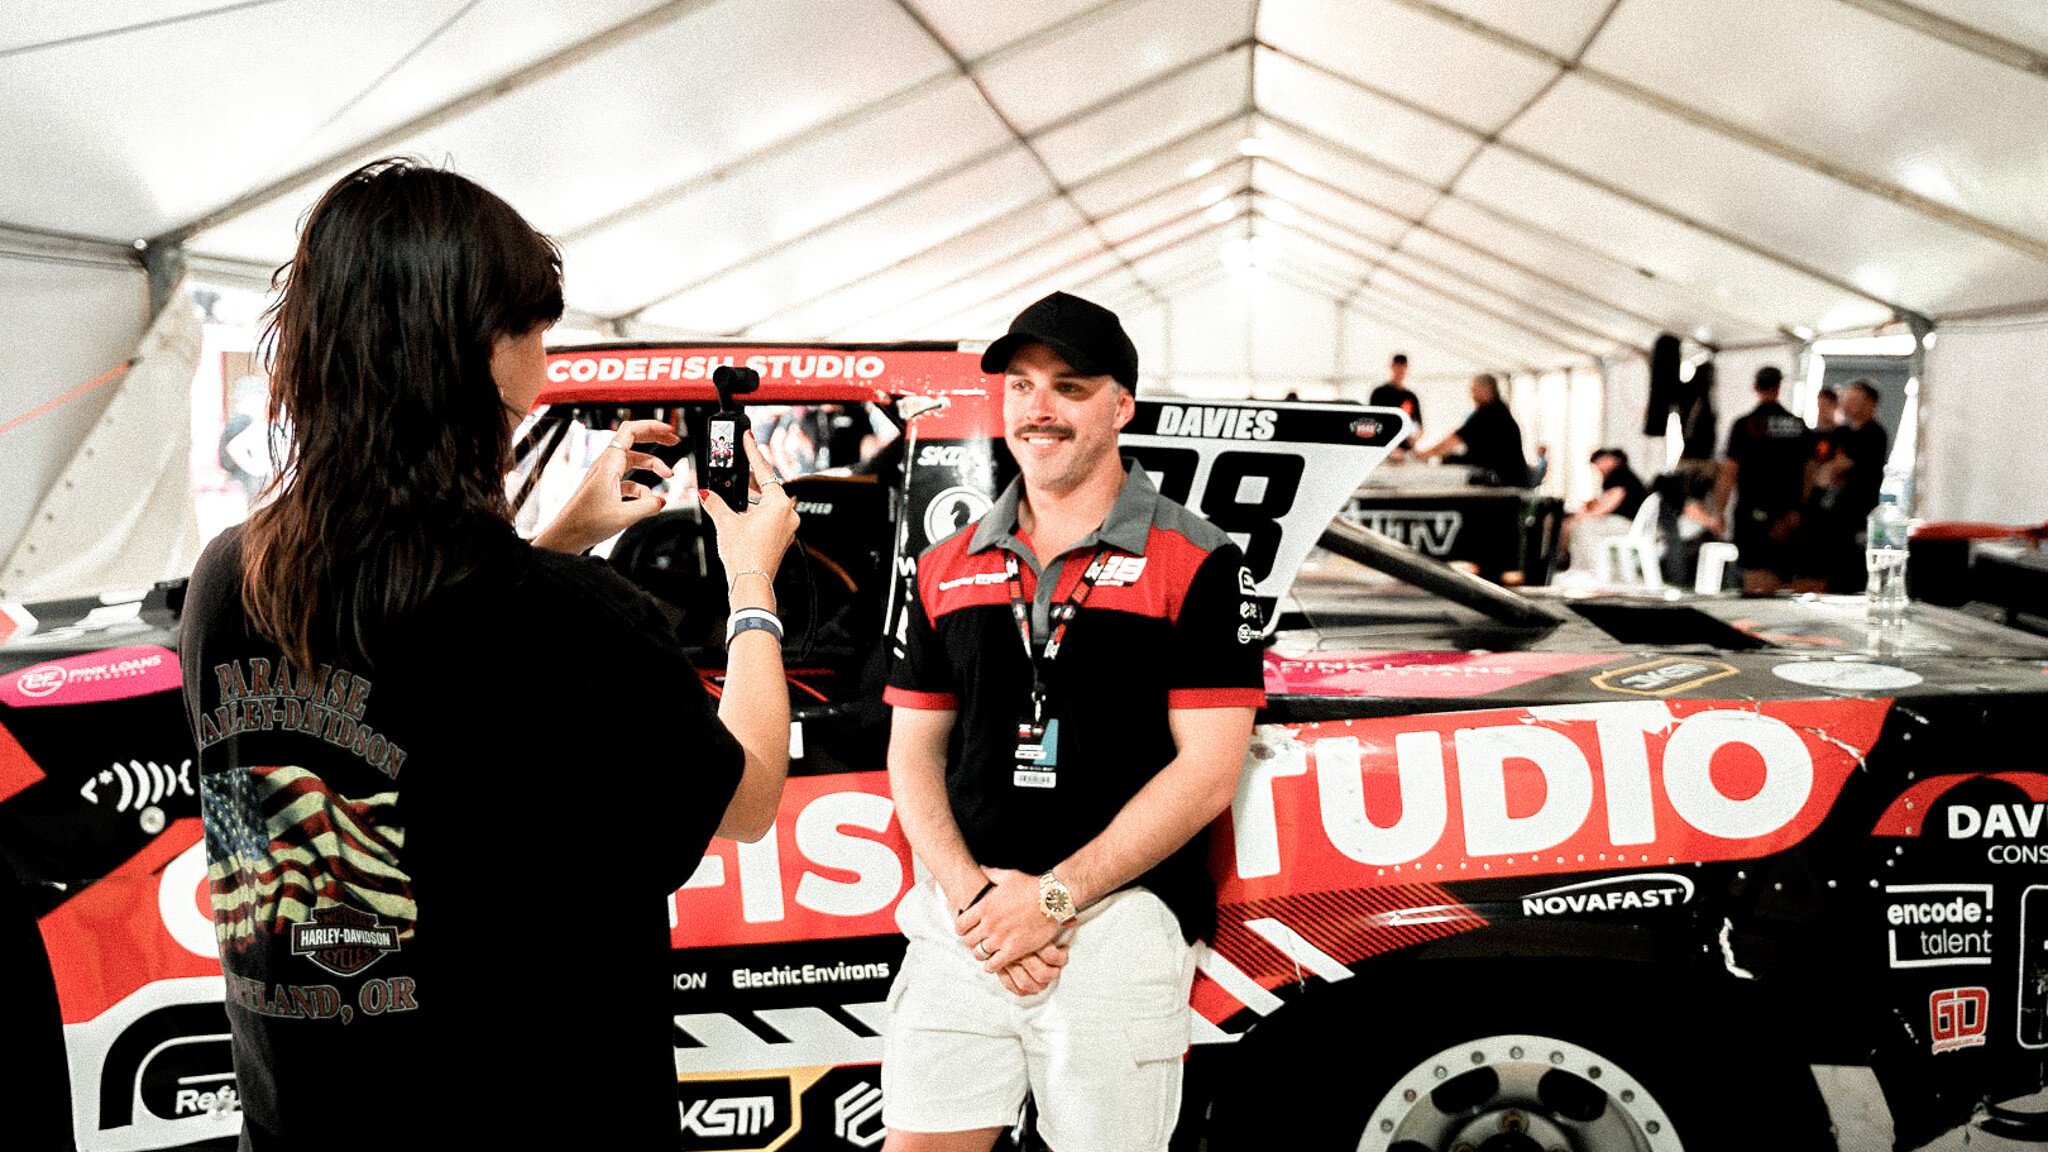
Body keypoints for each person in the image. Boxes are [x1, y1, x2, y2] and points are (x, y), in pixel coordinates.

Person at [176, 159, 800, 1151]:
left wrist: (552, 536)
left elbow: (419, 676)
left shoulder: (228, 579)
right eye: (535, 330)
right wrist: (752, 582)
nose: (546, 365)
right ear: (476, 353)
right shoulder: (576, 621)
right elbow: (751, 797)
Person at [880, 290, 1263, 1152]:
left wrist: (1052, 900)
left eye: (1069, 386)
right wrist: (981, 900)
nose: (1037, 409)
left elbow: (1207, 771)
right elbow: (911, 757)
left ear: (1122, 405)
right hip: (965, 924)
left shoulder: (1198, 558)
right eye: (1019, 385)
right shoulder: (946, 562)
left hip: (1114, 923)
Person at [1709, 364, 1811, 593]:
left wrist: (1719, 511)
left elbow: (1729, 472)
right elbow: (1808, 473)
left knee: (1754, 577)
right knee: (1779, 576)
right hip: (1788, 515)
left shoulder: (1745, 425)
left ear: (1755, 387)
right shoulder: (1797, 425)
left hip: (1752, 511)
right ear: (1778, 387)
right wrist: (1798, 509)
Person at [1413, 372, 1528, 486]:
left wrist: (1424, 454)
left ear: (1486, 390)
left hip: (1503, 480)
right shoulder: (1500, 410)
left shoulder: (1488, 413)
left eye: (1474, 390)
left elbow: (1453, 440)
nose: (1471, 395)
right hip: (1509, 476)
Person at [1564, 447, 1647, 573]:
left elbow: (1611, 502)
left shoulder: (1620, 474)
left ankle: (1593, 570)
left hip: (1630, 524)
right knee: (1580, 526)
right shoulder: (1618, 476)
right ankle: (1581, 569)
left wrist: (1586, 516)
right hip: (1629, 523)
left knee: (1584, 527)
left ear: (1609, 459)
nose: (1598, 468)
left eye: (1599, 463)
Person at [1368, 352, 1422, 453]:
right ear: (1392, 367)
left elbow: (1419, 426)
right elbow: (1373, 423)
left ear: (1406, 369)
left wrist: (1414, 439)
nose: (1400, 372)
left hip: (1405, 450)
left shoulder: (1411, 397)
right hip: (1384, 449)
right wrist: (1390, 449)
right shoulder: (1379, 393)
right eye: (1397, 368)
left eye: (1402, 369)